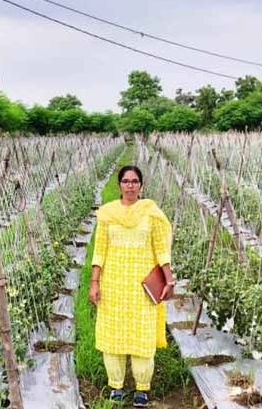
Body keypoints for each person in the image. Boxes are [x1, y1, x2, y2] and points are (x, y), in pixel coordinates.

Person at [89, 165, 175, 408]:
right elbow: (99, 250)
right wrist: (95, 282)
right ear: (119, 185)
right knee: (113, 336)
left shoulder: (151, 213)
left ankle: (142, 388)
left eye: (134, 181)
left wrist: (168, 279)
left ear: (141, 185)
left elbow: (161, 248)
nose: (130, 185)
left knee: (142, 337)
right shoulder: (107, 214)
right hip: (113, 285)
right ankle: (116, 385)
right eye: (126, 181)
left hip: (142, 288)